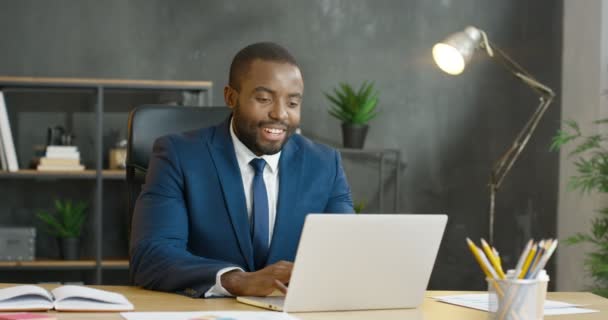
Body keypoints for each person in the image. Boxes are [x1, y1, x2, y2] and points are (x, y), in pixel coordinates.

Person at [129, 42, 354, 298]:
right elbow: (150, 255)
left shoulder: (325, 164)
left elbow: (347, 254)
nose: (280, 114)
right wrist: (236, 281)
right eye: (263, 99)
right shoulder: (179, 155)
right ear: (231, 97)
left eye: (292, 103)